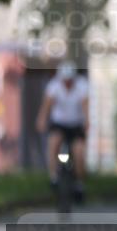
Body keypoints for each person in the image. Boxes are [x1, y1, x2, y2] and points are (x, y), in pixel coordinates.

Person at [36, 61, 88, 200]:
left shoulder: (82, 86)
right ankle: (54, 177)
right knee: (53, 144)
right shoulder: (54, 86)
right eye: (65, 81)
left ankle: (79, 183)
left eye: (69, 80)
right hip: (59, 124)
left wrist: (87, 122)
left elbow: (85, 106)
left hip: (76, 124)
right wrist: (41, 120)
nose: (67, 83)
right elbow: (46, 106)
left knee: (79, 153)